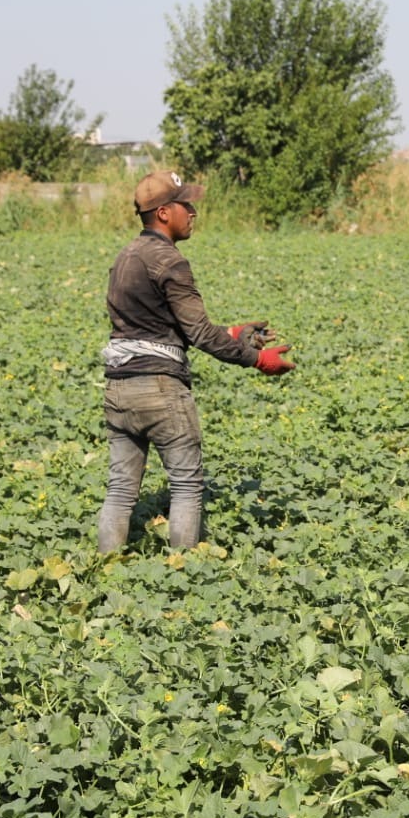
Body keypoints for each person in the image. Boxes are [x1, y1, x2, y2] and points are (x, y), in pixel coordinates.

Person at [97, 171, 294, 552]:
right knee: (187, 485)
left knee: (120, 489)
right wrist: (257, 359)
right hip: (159, 389)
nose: (193, 212)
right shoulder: (169, 261)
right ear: (164, 213)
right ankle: (183, 575)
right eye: (186, 205)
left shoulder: (125, 257)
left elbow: (162, 326)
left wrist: (235, 333)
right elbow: (199, 334)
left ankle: (104, 570)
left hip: (119, 388)